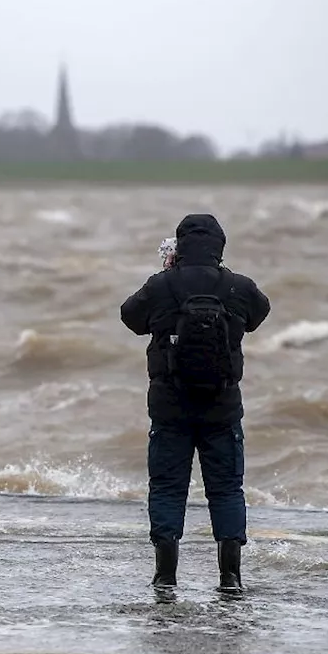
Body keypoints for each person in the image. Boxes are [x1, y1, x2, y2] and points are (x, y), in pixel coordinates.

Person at [120, 214, 270, 592]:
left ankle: (166, 576)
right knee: (226, 489)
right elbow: (260, 314)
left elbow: (130, 317)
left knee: (168, 487)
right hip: (222, 406)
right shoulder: (238, 287)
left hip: (170, 407)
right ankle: (230, 576)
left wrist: (167, 276)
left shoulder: (161, 285)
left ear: (179, 246)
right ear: (219, 246)